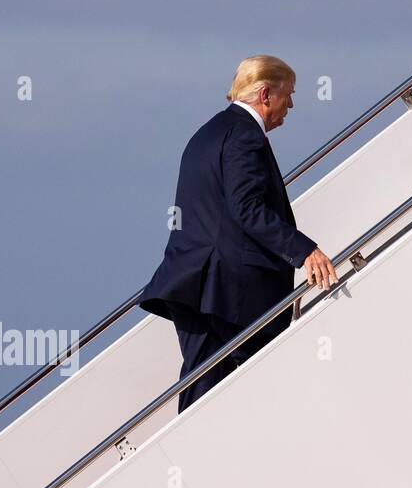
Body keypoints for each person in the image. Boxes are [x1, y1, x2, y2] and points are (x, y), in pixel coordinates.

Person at [139, 55, 339, 412]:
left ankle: (192, 462)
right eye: (288, 95)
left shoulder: (209, 132)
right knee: (255, 390)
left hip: (194, 285)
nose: (290, 105)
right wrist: (304, 251)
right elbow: (246, 208)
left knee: (203, 390)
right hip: (227, 293)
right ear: (265, 95)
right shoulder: (245, 136)